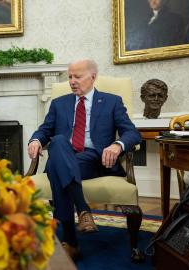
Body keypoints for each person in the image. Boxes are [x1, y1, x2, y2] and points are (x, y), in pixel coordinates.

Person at [27, 59, 141, 259]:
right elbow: (44, 130)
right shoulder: (59, 103)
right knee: (59, 142)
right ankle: (83, 210)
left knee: (55, 166)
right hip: (66, 155)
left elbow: (132, 133)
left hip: (95, 160)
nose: (72, 81)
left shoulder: (112, 101)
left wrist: (117, 145)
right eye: (70, 76)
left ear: (93, 77)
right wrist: (35, 140)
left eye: (77, 77)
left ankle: (71, 242)